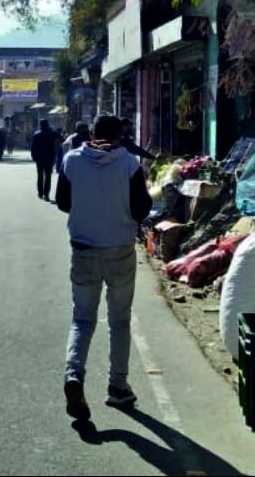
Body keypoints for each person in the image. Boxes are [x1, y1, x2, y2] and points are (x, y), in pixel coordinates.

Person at [55, 114, 152, 421]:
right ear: (119, 136)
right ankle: (117, 387)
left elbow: (63, 203)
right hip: (119, 250)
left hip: (83, 249)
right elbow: (142, 208)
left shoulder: (72, 161)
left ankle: (74, 375)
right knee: (119, 321)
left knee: (82, 319)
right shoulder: (129, 165)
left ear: (93, 132)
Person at [30, 118, 57, 201]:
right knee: (48, 177)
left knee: (40, 176)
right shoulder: (52, 134)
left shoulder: (36, 135)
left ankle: (40, 192)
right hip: (49, 158)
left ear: (40, 125)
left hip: (39, 158)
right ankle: (46, 194)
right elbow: (55, 145)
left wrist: (34, 157)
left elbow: (33, 148)